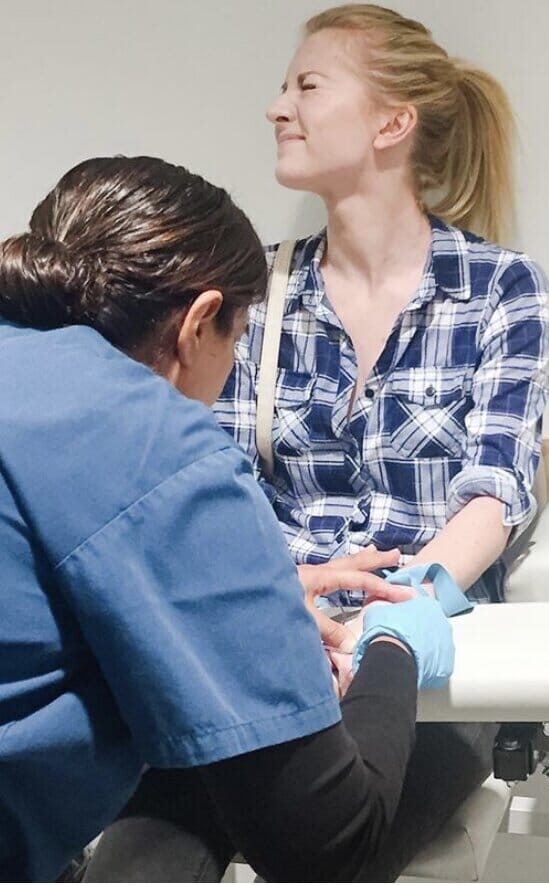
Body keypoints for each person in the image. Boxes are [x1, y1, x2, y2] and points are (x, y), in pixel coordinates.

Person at [92, 3, 549, 880]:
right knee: (138, 862)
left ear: (393, 121)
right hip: (269, 643)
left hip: (422, 663)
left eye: (307, 85)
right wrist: (281, 611)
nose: (278, 106)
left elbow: (494, 489)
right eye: (281, 88)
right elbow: (211, 483)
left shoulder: (501, 290)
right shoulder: (248, 290)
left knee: (320, 858)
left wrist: (405, 611)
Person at [0, 155, 457, 883]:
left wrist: (247, 599)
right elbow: (326, 842)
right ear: (199, 322)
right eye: (240, 341)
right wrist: (397, 644)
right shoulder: (159, 441)